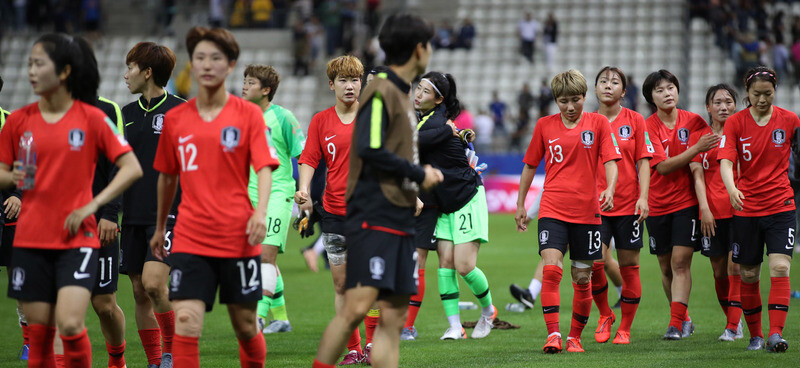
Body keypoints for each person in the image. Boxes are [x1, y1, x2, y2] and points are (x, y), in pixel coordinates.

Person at [0, 33, 143, 368]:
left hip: (77, 237)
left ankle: (116, 359)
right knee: (40, 335)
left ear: (64, 71)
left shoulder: (95, 116)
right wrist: (14, 179)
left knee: (71, 322)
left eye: (39, 64)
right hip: (31, 236)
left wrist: (97, 206)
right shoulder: (20, 121)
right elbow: (6, 172)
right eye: (30, 64)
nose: (31, 72)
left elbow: (129, 167)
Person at [312, 13, 443, 368]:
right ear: (420, 49)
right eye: (429, 44)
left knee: (393, 317)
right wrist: (418, 173)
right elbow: (369, 148)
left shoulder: (398, 90)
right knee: (355, 307)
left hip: (398, 214)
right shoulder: (382, 89)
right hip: (375, 212)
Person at [149, 26, 278, 367]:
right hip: (191, 236)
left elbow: (265, 167)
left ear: (230, 65)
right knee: (187, 322)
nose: (207, 64)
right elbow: (167, 177)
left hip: (238, 235)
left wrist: (260, 212)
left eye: (216, 58)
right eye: (200, 57)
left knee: (246, 325)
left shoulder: (248, 114)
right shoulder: (176, 119)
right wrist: (161, 226)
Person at [515, 69, 621, 353]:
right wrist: (520, 204)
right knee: (551, 270)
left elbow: (611, 161)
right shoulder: (544, 126)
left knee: (582, 277)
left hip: (588, 213)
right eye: (563, 101)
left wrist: (609, 188)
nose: (570, 107)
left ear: (585, 96)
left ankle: (575, 337)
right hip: (552, 208)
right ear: (555, 101)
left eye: (575, 99)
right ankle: (553, 335)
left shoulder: (598, 123)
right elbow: (529, 166)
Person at [404, 71, 494, 341]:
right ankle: (455, 326)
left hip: (466, 197)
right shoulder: (434, 121)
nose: (418, 95)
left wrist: (447, 131)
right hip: (445, 205)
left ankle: (489, 311)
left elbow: (410, 143)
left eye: (425, 91)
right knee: (444, 264)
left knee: (464, 266)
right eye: (417, 88)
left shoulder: (437, 123)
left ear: (439, 99)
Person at [296, 55, 371, 365]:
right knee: (341, 284)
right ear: (331, 85)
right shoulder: (320, 120)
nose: (350, 86)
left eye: (355, 80)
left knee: (368, 284)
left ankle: (374, 344)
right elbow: (309, 158)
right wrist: (303, 189)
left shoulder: (372, 117)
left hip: (368, 212)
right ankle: (353, 347)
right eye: (343, 80)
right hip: (334, 213)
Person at [719, 66, 797, 352]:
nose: (762, 99)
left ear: (775, 91)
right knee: (749, 274)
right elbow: (726, 160)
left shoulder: (790, 120)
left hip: (780, 206)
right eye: (756, 94)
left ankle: (776, 334)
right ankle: (756, 335)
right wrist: (731, 188)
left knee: (779, 267)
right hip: (747, 208)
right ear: (747, 93)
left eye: (768, 94)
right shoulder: (736, 123)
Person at [641, 69, 718, 341]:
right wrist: (695, 148)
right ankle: (684, 318)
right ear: (651, 97)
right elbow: (662, 167)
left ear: (678, 90)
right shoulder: (646, 127)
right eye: (659, 90)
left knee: (680, 262)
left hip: (686, 203)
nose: (667, 93)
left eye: (670, 87)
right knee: (664, 267)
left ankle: (674, 325)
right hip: (657, 204)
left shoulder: (695, 121)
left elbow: (713, 151)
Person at [121, 41, 183, 368]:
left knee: (154, 285)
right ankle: (155, 362)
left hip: (169, 215)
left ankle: (173, 354)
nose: (125, 75)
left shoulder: (181, 111)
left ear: (147, 72)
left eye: (130, 68)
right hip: (130, 214)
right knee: (137, 291)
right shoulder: (124, 115)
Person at [590, 66, 653, 345]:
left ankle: (625, 328)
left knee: (629, 266)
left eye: (614, 82)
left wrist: (643, 197)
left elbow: (643, 161)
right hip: (595, 206)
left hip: (629, 205)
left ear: (623, 91)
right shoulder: (586, 121)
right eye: (603, 81)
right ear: (594, 89)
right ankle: (605, 314)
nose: (608, 86)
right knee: (594, 262)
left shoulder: (636, 120)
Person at [241, 64, 305, 335]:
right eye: (244, 80)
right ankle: (281, 319)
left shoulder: (284, 118)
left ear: (266, 90)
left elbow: (302, 155)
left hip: (279, 192)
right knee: (258, 257)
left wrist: (304, 192)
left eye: (251, 82)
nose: (244, 86)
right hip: (246, 194)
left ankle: (258, 317)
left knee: (265, 255)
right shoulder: (239, 116)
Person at [689, 84, 744, 342]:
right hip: (711, 213)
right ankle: (733, 317)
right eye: (718, 102)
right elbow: (698, 177)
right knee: (719, 272)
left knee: (736, 267)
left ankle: (732, 327)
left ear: (736, 105)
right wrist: (705, 209)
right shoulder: (701, 137)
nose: (724, 107)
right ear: (708, 107)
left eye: (729, 101)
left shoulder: (743, 134)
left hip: (740, 211)